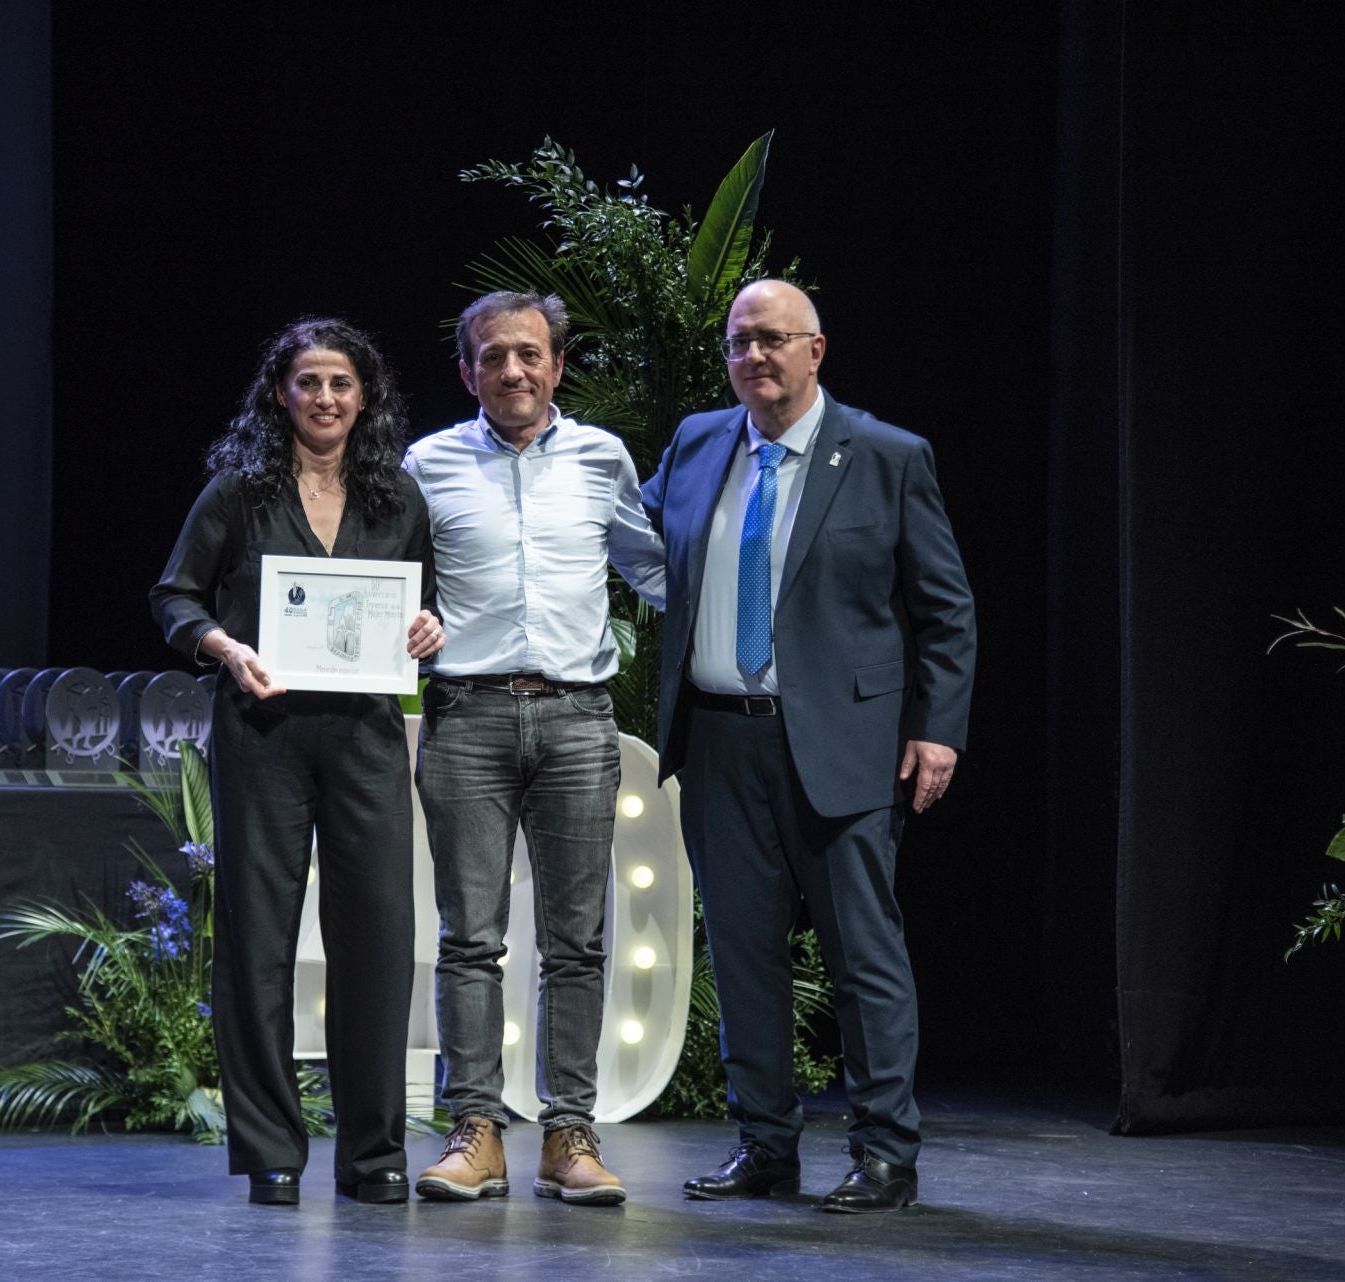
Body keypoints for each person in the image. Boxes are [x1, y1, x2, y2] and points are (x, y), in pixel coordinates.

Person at [640, 279, 975, 1213]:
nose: (756, 357)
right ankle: (765, 1145)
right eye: (741, 343)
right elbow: (636, 542)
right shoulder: (700, 441)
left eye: (774, 340)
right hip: (717, 742)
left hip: (843, 744)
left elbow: (946, 611)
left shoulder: (885, 455)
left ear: (816, 351)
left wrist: (937, 732)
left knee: (863, 954)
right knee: (745, 955)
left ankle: (884, 1155)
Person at [150, 317, 446, 1206]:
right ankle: (272, 1151)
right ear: (280, 392)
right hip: (263, 733)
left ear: (366, 398)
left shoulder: (398, 498)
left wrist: (430, 631)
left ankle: (372, 1155)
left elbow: (421, 608)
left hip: (364, 737)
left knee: (381, 943)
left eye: (341, 385)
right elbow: (173, 593)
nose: (324, 399)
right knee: (259, 945)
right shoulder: (239, 493)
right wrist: (220, 645)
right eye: (308, 382)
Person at [403, 290, 665, 1206]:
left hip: (577, 720)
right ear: (467, 369)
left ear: (556, 364)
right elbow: (389, 575)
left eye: (529, 354)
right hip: (466, 717)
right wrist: (408, 618)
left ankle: (569, 1135)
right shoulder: (426, 462)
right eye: (493, 356)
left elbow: (654, 566)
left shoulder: (603, 459)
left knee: (577, 945)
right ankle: (474, 1132)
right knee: (469, 940)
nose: (512, 370)